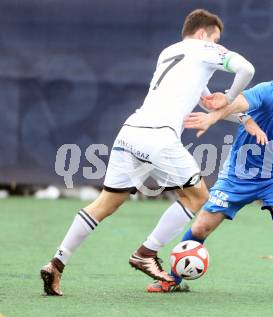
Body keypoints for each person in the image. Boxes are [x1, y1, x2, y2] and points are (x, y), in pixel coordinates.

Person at [40, 8, 257, 296]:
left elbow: (206, 102)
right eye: (216, 39)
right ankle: (146, 252)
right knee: (198, 197)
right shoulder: (205, 49)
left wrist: (242, 118)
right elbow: (247, 69)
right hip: (158, 137)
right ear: (203, 34)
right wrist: (230, 96)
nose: (217, 45)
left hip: (129, 131)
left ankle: (57, 263)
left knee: (106, 203)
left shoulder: (169, 52)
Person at [148, 55, 273, 299]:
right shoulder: (268, 91)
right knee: (201, 227)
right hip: (238, 174)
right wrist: (211, 117)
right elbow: (238, 102)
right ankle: (173, 278)